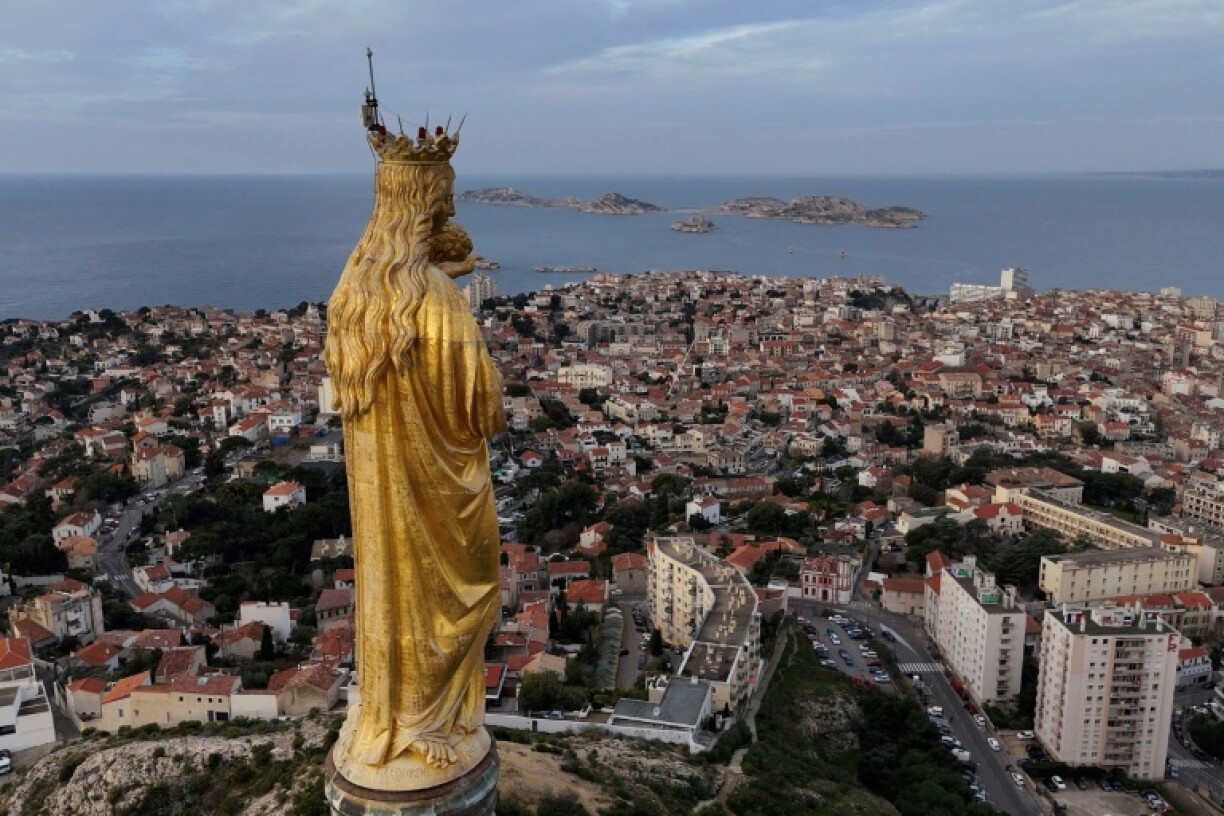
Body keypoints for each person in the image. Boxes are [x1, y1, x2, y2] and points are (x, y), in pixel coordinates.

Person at [324, 141, 505, 788]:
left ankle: (393, 713)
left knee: (396, 596)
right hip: (443, 493)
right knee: (459, 597)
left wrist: (441, 278)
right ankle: (430, 725)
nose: (452, 202)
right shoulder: (434, 302)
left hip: (382, 501)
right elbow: (485, 408)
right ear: (420, 203)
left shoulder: (356, 290)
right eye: (444, 193)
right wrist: (454, 300)